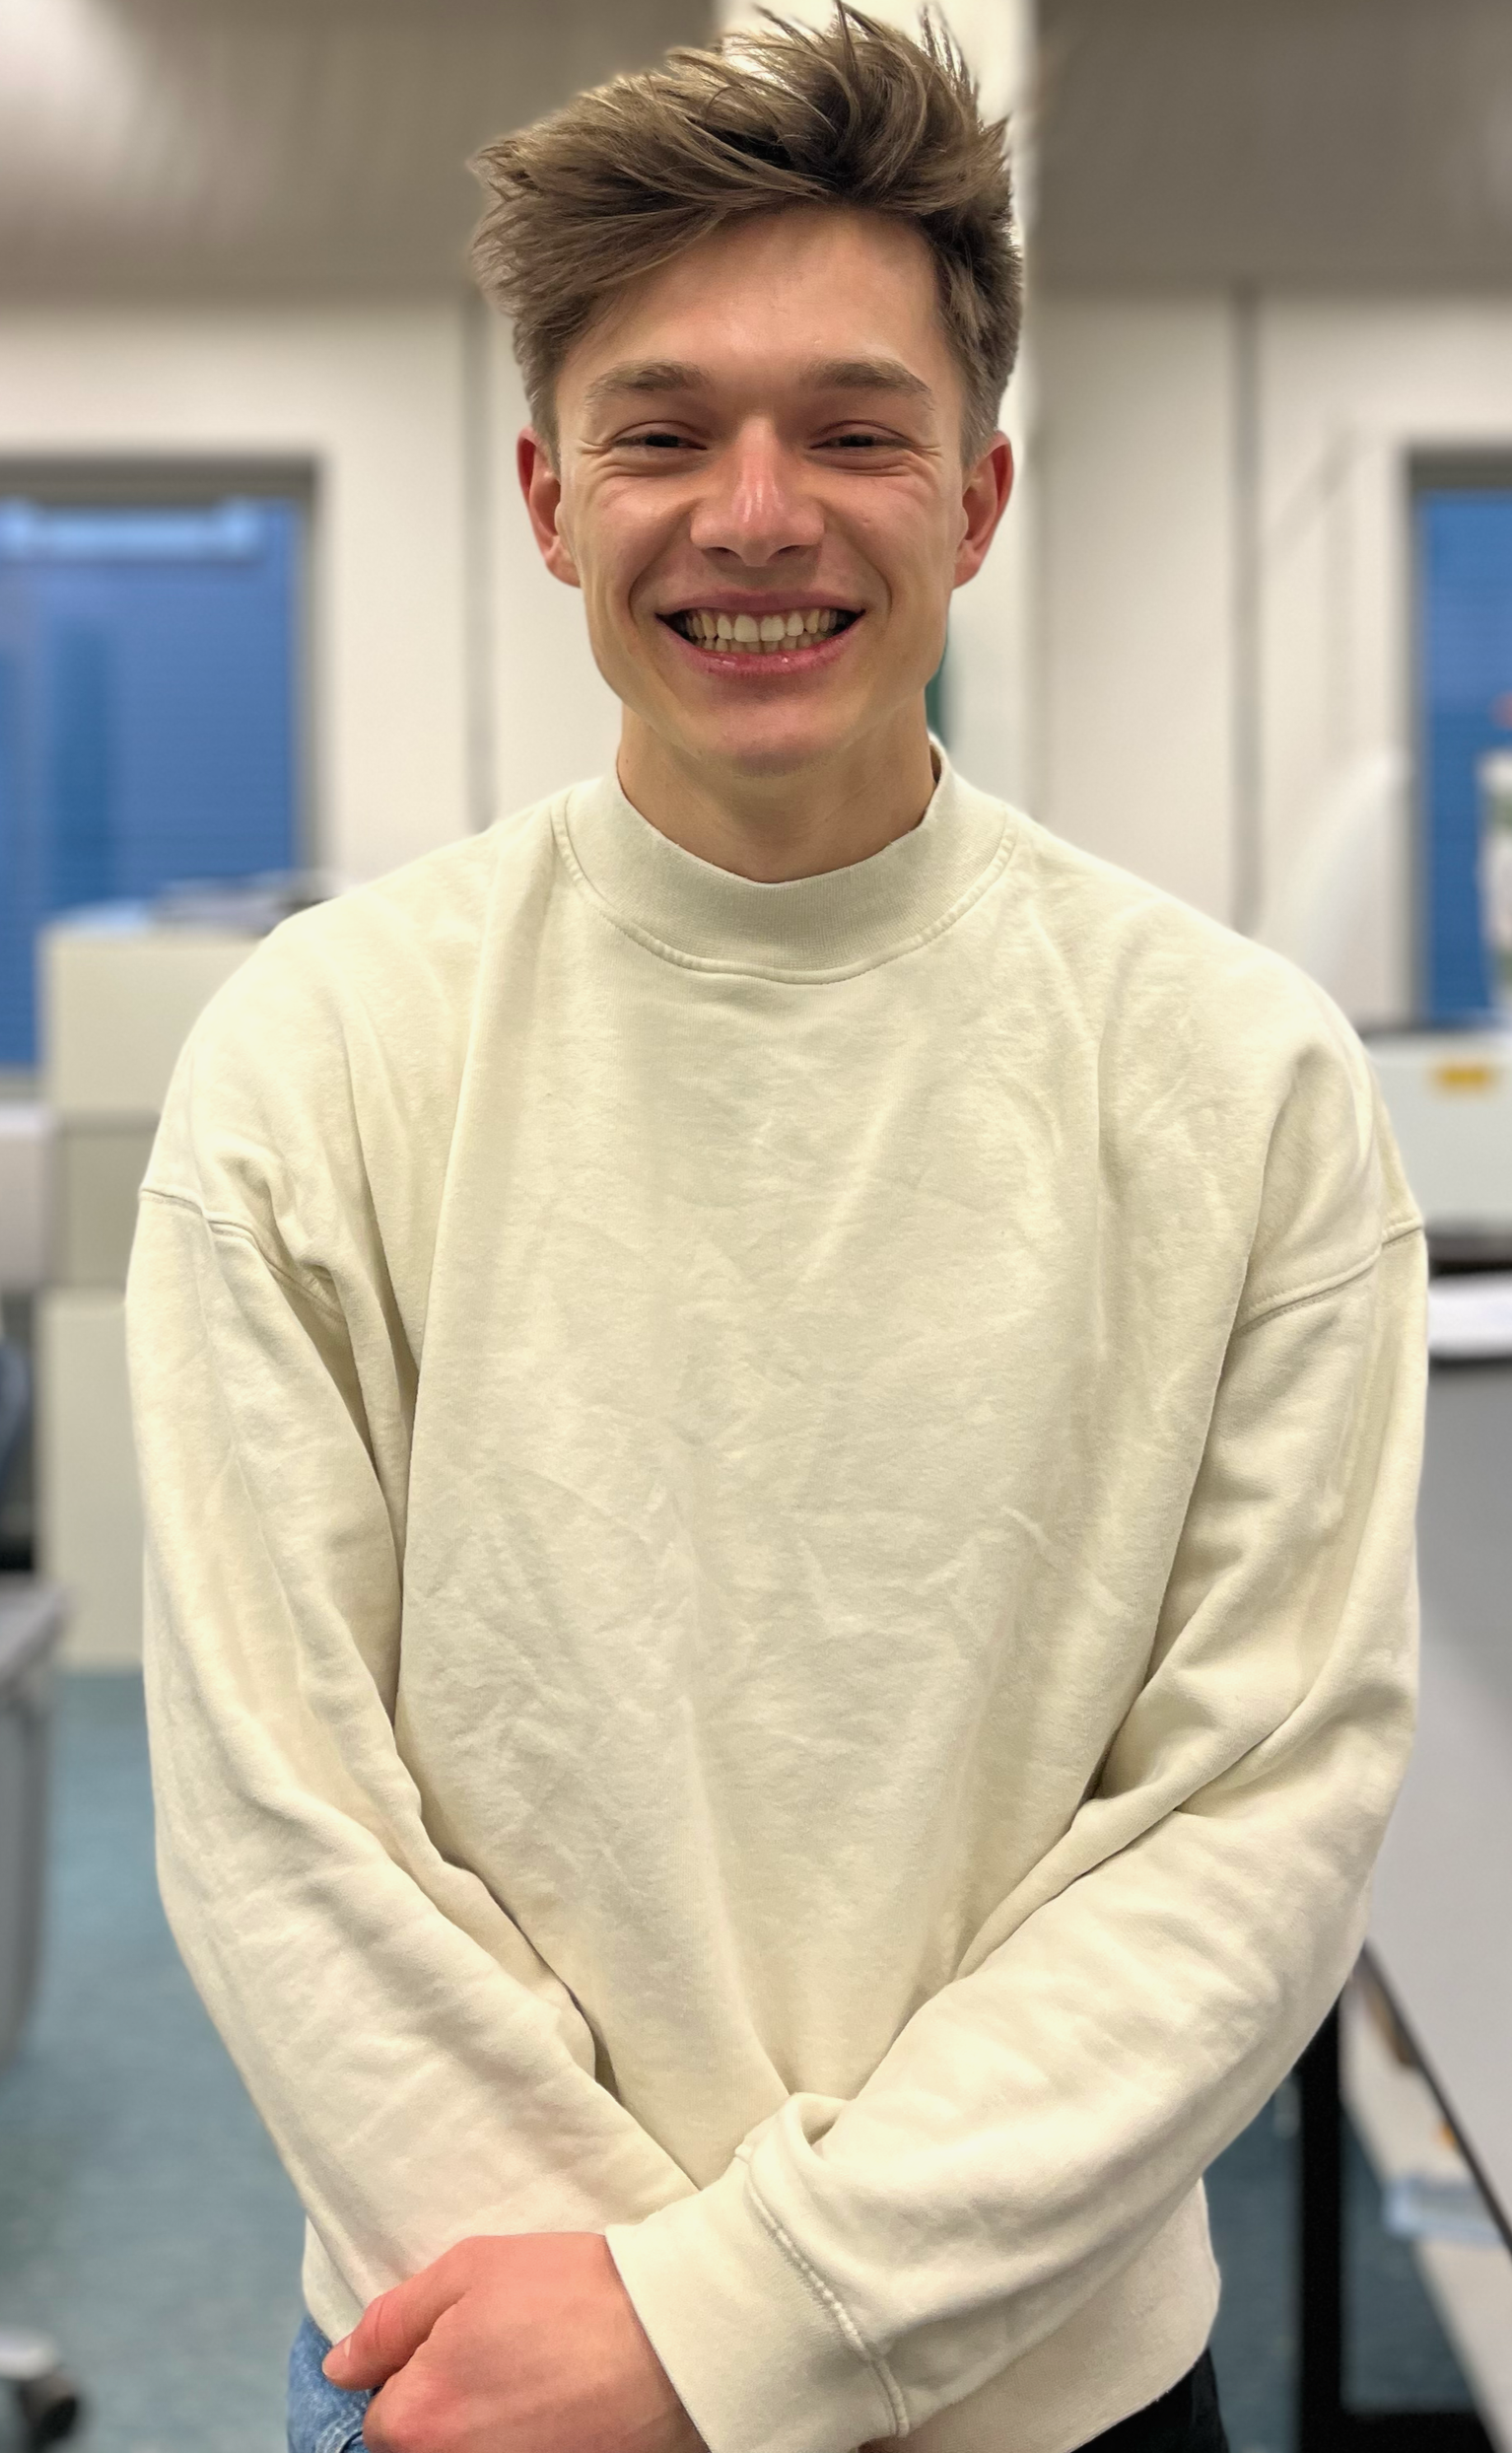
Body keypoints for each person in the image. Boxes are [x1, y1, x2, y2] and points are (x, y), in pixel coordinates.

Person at [124, 12, 1426, 2453]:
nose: (755, 511)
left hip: (1040, 2382)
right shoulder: (319, 1056)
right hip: (475, 2348)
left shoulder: (1231, 1078)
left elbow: (1251, 1811)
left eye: (850, 429)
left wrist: (746, 2317)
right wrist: (615, 2338)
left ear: (980, 489)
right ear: (542, 495)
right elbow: (275, 1807)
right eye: (658, 431)